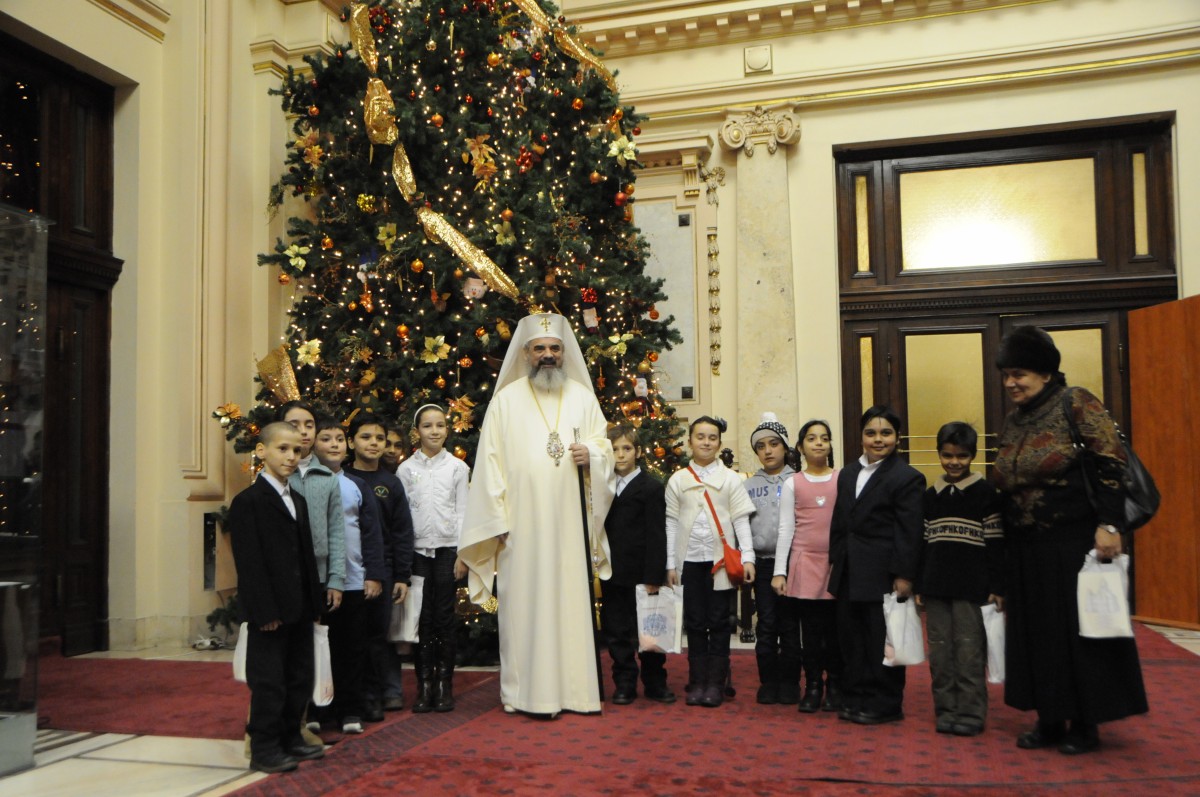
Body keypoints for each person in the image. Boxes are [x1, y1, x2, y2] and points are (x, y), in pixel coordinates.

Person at [991, 325, 1147, 755]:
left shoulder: (1075, 401)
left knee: (1077, 634)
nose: (1010, 383)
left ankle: (1083, 723)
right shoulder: (1014, 418)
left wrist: (1110, 525)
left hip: (1073, 542)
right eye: (1006, 375)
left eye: (1019, 374)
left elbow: (1111, 461)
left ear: (1045, 372)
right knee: (1038, 635)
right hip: (1026, 545)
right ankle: (1049, 718)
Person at [458, 313, 615, 717]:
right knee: (525, 607)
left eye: (555, 348)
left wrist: (593, 456)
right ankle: (525, 694)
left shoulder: (582, 397)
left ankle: (576, 693)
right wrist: (496, 521)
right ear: (526, 353)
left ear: (564, 352)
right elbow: (489, 465)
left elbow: (604, 447)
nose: (548, 355)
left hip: (570, 524)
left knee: (569, 606)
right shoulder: (505, 401)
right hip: (521, 526)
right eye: (540, 348)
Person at [227, 422, 325, 773]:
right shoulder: (248, 502)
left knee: (299, 676)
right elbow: (249, 563)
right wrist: (263, 610)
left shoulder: (297, 499)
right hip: (270, 610)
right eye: (282, 449)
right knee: (269, 681)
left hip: (300, 606)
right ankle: (264, 747)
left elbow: (306, 555)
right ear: (261, 451)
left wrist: (315, 603)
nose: (291, 456)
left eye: (296, 450)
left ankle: (290, 737)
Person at [828, 405, 925, 725]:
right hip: (849, 569)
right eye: (871, 433)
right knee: (851, 638)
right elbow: (839, 522)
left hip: (883, 572)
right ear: (861, 437)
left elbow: (909, 531)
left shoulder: (907, 477)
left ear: (897, 438)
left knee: (880, 639)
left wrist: (904, 575)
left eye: (886, 433)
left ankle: (885, 702)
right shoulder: (847, 473)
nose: (878, 439)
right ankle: (855, 696)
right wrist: (835, 561)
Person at [915, 422, 1004, 737]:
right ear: (939, 454)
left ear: (973, 455)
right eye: (948, 455)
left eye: (962, 456)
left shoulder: (986, 494)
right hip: (936, 588)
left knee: (969, 651)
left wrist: (997, 586)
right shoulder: (931, 496)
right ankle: (946, 709)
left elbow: (996, 545)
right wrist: (920, 584)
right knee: (940, 652)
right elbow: (923, 543)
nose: (954, 462)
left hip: (972, 589)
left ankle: (970, 711)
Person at [665, 416, 757, 708]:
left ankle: (716, 683)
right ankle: (697, 681)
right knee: (694, 622)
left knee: (719, 621)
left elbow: (741, 521)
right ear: (690, 441)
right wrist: (670, 564)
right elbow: (671, 523)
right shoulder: (678, 479)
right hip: (689, 561)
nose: (706, 442)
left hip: (721, 563)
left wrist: (748, 557)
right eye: (700, 437)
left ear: (719, 443)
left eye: (712, 438)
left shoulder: (730, 479)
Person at [311, 417, 387, 734]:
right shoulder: (305, 482)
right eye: (326, 439)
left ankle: (350, 710)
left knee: (352, 648)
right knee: (319, 647)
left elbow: (372, 533)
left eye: (339, 439)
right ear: (313, 444)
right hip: (318, 581)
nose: (334, 445)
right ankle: (318, 709)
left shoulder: (356, 485)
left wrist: (374, 574)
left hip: (354, 580)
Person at [397, 404, 470, 713]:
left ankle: (444, 685)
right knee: (422, 619)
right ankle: (424, 684)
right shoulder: (405, 470)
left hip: (447, 551)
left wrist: (462, 554)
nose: (435, 431)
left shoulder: (457, 468)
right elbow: (401, 517)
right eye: (428, 426)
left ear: (447, 430)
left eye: (440, 425)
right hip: (417, 553)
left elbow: (464, 511)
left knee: (444, 618)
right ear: (417, 431)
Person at [773, 419, 843, 714]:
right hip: (804, 563)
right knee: (811, 633)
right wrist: (780, 571)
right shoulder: (793, 483)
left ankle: (835, 686)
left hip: (835, 564)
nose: (819, 443)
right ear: (800, 447)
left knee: (835, 632)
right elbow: (786, 529)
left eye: (824, 438)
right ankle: (813, 686)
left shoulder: (842, 479)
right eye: (812, 439)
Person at [345, 416, 414, 716]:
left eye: (379, 438)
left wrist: (402, 575)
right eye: (365, 437)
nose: (373, 443)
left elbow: (402, 532)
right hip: (348, 568)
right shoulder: (343, 479)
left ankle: (382, 693)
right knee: (352, 636)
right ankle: (356, 697)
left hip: (383, 569)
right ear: (351, 442)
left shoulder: (391, 483)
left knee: (379, 634)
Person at [601, 423, 673, 705]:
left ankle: (655, 682)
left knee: (650, 630)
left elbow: (657, 534)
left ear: (639, 452)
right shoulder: (603, 488)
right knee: (617, 632)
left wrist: (655, 574)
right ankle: (624, 683)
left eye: (627, 448)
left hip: (644, 573)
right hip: (613, 572)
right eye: (614, 449)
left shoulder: (651, 487)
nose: (620, 455)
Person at [743, 413, 795, 704]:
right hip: (763, 564)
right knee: (766, 623)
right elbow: (742, 526)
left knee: (790, 624)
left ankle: (790, 681)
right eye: (761, 446)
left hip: (793, 563)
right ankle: (769, 681)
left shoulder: (797, 481)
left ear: (785, 446)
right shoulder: (749, 486)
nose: (768, 451)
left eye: (774, 444)